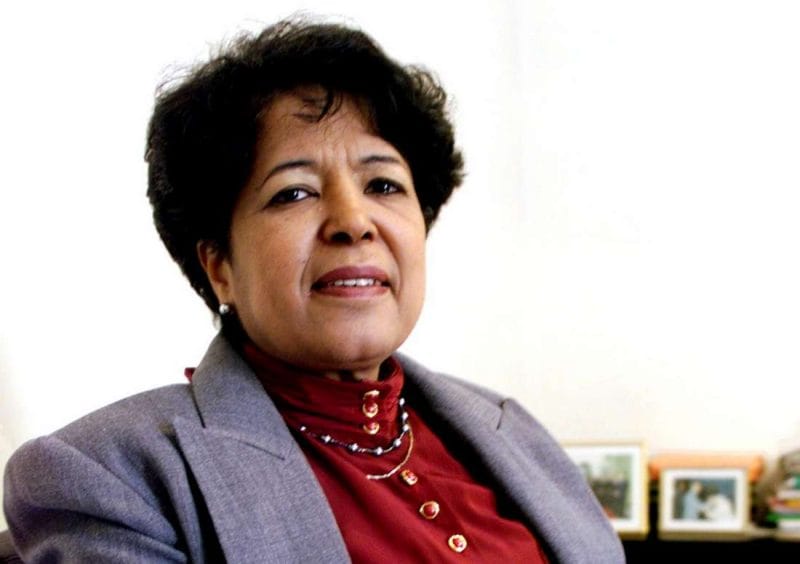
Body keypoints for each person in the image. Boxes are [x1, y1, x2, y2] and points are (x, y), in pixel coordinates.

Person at [2, 17, 625, 563]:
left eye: (383, 186)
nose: (354, 221)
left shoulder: (512, 431)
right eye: (293, 193)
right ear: (219, 265)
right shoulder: (112, 475)